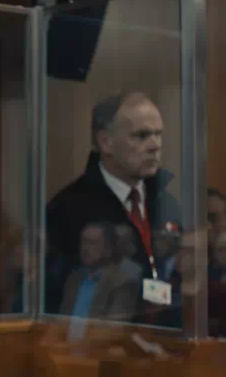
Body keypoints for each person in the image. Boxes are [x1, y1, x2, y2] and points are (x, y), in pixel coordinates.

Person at [45, 92, 181, 316]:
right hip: (105, 329)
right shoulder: (66, 210)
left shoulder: (170, 201)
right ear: (105, 142)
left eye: (158, 134)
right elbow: (62, 293)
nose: (155, 145)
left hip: (165, 327)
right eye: (141, 135)